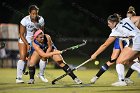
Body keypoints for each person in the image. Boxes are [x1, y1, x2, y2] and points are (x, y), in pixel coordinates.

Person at [90, 6, 137, 84]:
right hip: (125, 40)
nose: (108, 25)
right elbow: (120, 40)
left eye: (109, 23)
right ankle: (96, 77)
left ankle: (125, 79)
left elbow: (105, 45)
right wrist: (122, 51)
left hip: (131, 41)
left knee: (129, 61)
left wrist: (94, 54)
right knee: (113, 60)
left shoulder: (122, 27)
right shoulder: (124, 23)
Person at [16, 5, 48, 83]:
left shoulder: (41, 20)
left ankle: (41, 75)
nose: (34, 15)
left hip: (35, 40)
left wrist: (38, 41)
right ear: (29, 13)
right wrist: (27, 44)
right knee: (23, 57)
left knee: (42, 56)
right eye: (33, 14)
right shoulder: (25, 20)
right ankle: (18, 78)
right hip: (24, 39)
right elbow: (21, 34)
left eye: (36, 13)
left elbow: (41, 32)